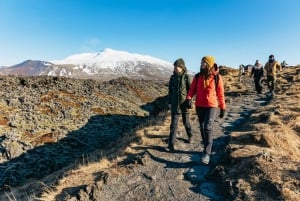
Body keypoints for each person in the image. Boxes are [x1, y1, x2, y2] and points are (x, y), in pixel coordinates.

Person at [186, 56, 226, 164]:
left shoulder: (217, 78)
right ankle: (206, 146)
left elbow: (220, 94)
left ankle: (207, 153)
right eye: (201, 63)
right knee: (202, 127)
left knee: (208, 127)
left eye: (204, 63)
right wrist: (189, 98)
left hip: (211, 106)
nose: (201, 65)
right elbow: (192, 89)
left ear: (209, 64)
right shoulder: (198, 76)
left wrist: (223, 107)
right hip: (199, 106)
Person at [167, 58, 193, 152]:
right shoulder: (172, 78)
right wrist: (169, 102)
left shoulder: (187, 77)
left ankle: (190, 135)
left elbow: (191, 90)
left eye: (178, 66)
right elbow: (170, 91)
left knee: (186, 122)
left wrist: (190, 100)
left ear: (182, 67)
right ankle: (171, 144)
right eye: (175, 66)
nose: (176, 68)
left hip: (184, 104)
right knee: (173, 125)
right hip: (174, 104)